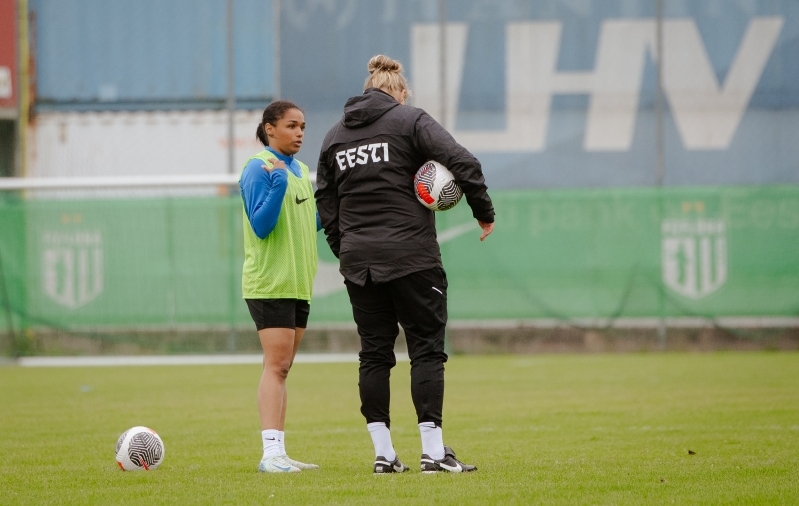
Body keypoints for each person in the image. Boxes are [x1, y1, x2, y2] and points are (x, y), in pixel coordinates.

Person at [315, 55, 495, 474]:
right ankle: (433, 453)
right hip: (412, 257)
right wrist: (482, 211)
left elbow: (326, 201)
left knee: (374, 355)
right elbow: (464, 162)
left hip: (360, 264)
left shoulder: (333, 137)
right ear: (397, 91)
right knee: (426, 349)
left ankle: (384, 455)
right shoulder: (409, 120)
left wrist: (346, 248)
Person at [239, 100, 319, 473]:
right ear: (269, 128)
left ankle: (280, 453)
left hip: (298, 282)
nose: (299, 132)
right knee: (277, 365)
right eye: (291, 125)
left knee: (284, 367)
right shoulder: (260, 168)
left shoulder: (301, 168)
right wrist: (278, 185)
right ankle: (270, 453)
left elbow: (308, 222)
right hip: (270, 282)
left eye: (302, 126)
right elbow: (261, 225)